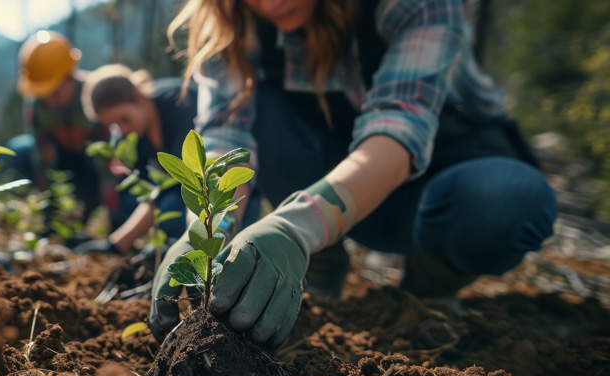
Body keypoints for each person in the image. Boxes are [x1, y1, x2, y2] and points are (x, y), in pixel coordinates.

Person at [149, 0, 558, 348]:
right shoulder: (232, 23)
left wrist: (294, 228)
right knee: (261, 109)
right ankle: (320, 261)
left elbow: (400, 130)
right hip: (333, 186)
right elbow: (226, 134)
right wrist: (206, 230)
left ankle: (428, 288)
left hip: (439, 185)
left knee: (504, 200)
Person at [74, 64, 197, 254]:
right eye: (114, 125)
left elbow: (183, 182)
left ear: (139, 97)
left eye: (124, 119)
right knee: (130, 199)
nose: (122, 130)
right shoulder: (134, 136)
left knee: (171, 207)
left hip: (216, 194)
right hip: (176, 194)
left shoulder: (181, 103)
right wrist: (115, 244)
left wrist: (119, 242)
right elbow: (150, 191)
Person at [8, 30, 108, 219]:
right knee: (20, 149)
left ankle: (90, 207)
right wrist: (48, 208)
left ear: (71, 76)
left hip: (91, 164)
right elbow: (42, 155)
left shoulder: (94, 94)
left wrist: (114, 214)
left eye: (54, 93)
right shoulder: (37, 104)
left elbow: (109, 160)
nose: (49, 101)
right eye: (43, 94)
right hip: (62, 160)